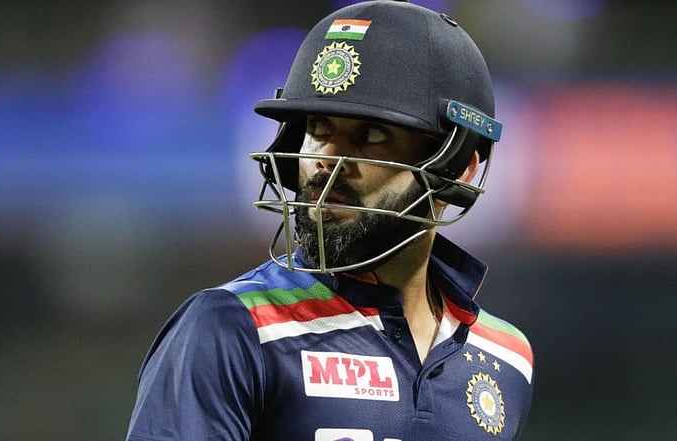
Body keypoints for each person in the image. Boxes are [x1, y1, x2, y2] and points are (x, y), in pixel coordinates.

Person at [126, 1, 534, 440]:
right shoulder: (231, 328)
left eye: (371, 134)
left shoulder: (507, 358)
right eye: (319, 128)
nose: (326, 158)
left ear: (456, 168)